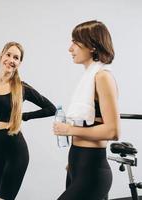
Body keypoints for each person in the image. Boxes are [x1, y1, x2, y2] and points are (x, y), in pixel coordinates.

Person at [0, 41, 56, 200]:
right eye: (8, 55)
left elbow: (50, 109)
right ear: (1, 56)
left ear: (19, 63)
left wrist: (23, 117)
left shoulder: (21, 87)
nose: (11, 60)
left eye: (16, 57)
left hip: (15, 149)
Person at [53, 20, 120, 200]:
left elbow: (113, 131)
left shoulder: (103, 77)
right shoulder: (88, 77)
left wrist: (69, 130)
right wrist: (74, 162)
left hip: (92, 169)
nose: (70, 48)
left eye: (75, 42)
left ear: (91, 45)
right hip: (77, 162)